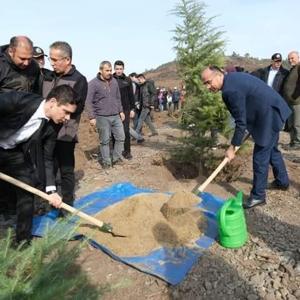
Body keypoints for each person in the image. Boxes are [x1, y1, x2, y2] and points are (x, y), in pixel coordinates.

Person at [201, 66, 291, 209]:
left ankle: (258, 196)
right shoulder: (232, 78)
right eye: (205, 84)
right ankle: (282, 182)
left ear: (218, 75)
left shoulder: (230, 91)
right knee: (272, 149)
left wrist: (232, 147)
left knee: (260, 156)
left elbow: (240, 123)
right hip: (272, 110)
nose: (207, 87)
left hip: (269, 115)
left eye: (208, 82)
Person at [0, 85, 77, 244]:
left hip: (13, 153)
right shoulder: (17, 100)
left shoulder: (54, 124)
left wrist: (51, 190)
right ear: (53, 102)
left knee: (27, 189)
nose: (68, 118)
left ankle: (22, 241)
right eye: (66, 111)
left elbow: (47, 157)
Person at [42, 41, 87, 210]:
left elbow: (77, 108)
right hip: (45, 132)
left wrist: (59, 114)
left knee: (66, 170)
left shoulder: (79, 80)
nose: (51, 63)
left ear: (67, 59)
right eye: (50, 59)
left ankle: (67, 204)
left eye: (55, 60)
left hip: (64, 133)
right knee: (48, 167)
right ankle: (49, 202)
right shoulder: (48, 75)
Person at [86, 61, 125, 168]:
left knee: (121, 137)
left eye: (110, 70)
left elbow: (118, 97)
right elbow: (88, 101)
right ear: (100, 70)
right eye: (107, 70)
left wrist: (121, 111)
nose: (109, 72)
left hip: (116, 115)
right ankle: (106, 162)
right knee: (105, 140)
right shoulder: (93, 84)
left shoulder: (114, 82)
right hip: (101, 116)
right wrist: (92, 117)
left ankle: (116, 159)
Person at [113, 60, 135, 160]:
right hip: (113, 109)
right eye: (117, 69)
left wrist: (132, 109)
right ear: (114, 69)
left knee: (126, 131)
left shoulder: (127, 80)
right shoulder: (110, 79)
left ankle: (127, 152)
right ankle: (115, 153)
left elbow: (131, 95)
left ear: (123, 69)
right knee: (113, 132)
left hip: (126, 108)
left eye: (120, 69)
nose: (119, 71)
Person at [282, 51, 300, 149]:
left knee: (297, 124)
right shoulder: (293, 69)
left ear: (298, 57)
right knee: (291, 124)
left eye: (292, 58)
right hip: (289, 102)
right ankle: (293, 142)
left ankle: (297, 143)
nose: (290, 60)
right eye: (289, 58)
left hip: (297, 102)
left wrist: (295, 95)